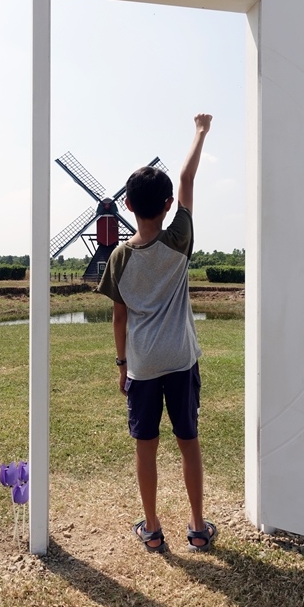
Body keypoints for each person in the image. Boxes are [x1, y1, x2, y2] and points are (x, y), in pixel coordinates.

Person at [97, 113, 216, 553]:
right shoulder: (179, 239)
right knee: (189, 443)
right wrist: (200, 132)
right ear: (167, 206)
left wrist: (122, 365)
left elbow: (119, 318)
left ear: (127, 205)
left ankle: (152, 529)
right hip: (180, 359)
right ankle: (198, 527)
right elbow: (186, 179)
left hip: (143, 366)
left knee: (145, 449)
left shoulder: (118, 259)